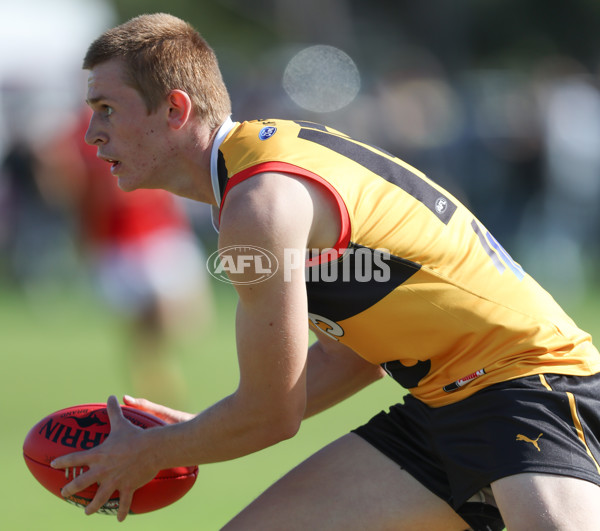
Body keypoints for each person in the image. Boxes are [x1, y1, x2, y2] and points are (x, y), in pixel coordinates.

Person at [51, 13, 600, 530]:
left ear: (175, 109)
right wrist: (190, 434)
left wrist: (150, 452)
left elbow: (270, 413)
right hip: (442, 405)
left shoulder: (258, 204)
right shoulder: (258, 167)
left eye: (107, 109)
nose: (91, 133)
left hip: (530, 385)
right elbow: (351, 357)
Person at [37, 106, 213, 408]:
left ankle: (158, 385)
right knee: (142, 337)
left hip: (160, 233)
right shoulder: (80, 129)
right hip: (114, 243)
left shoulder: (144, 113)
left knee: (183, 321)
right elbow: (59, 177)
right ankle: (156, 397)